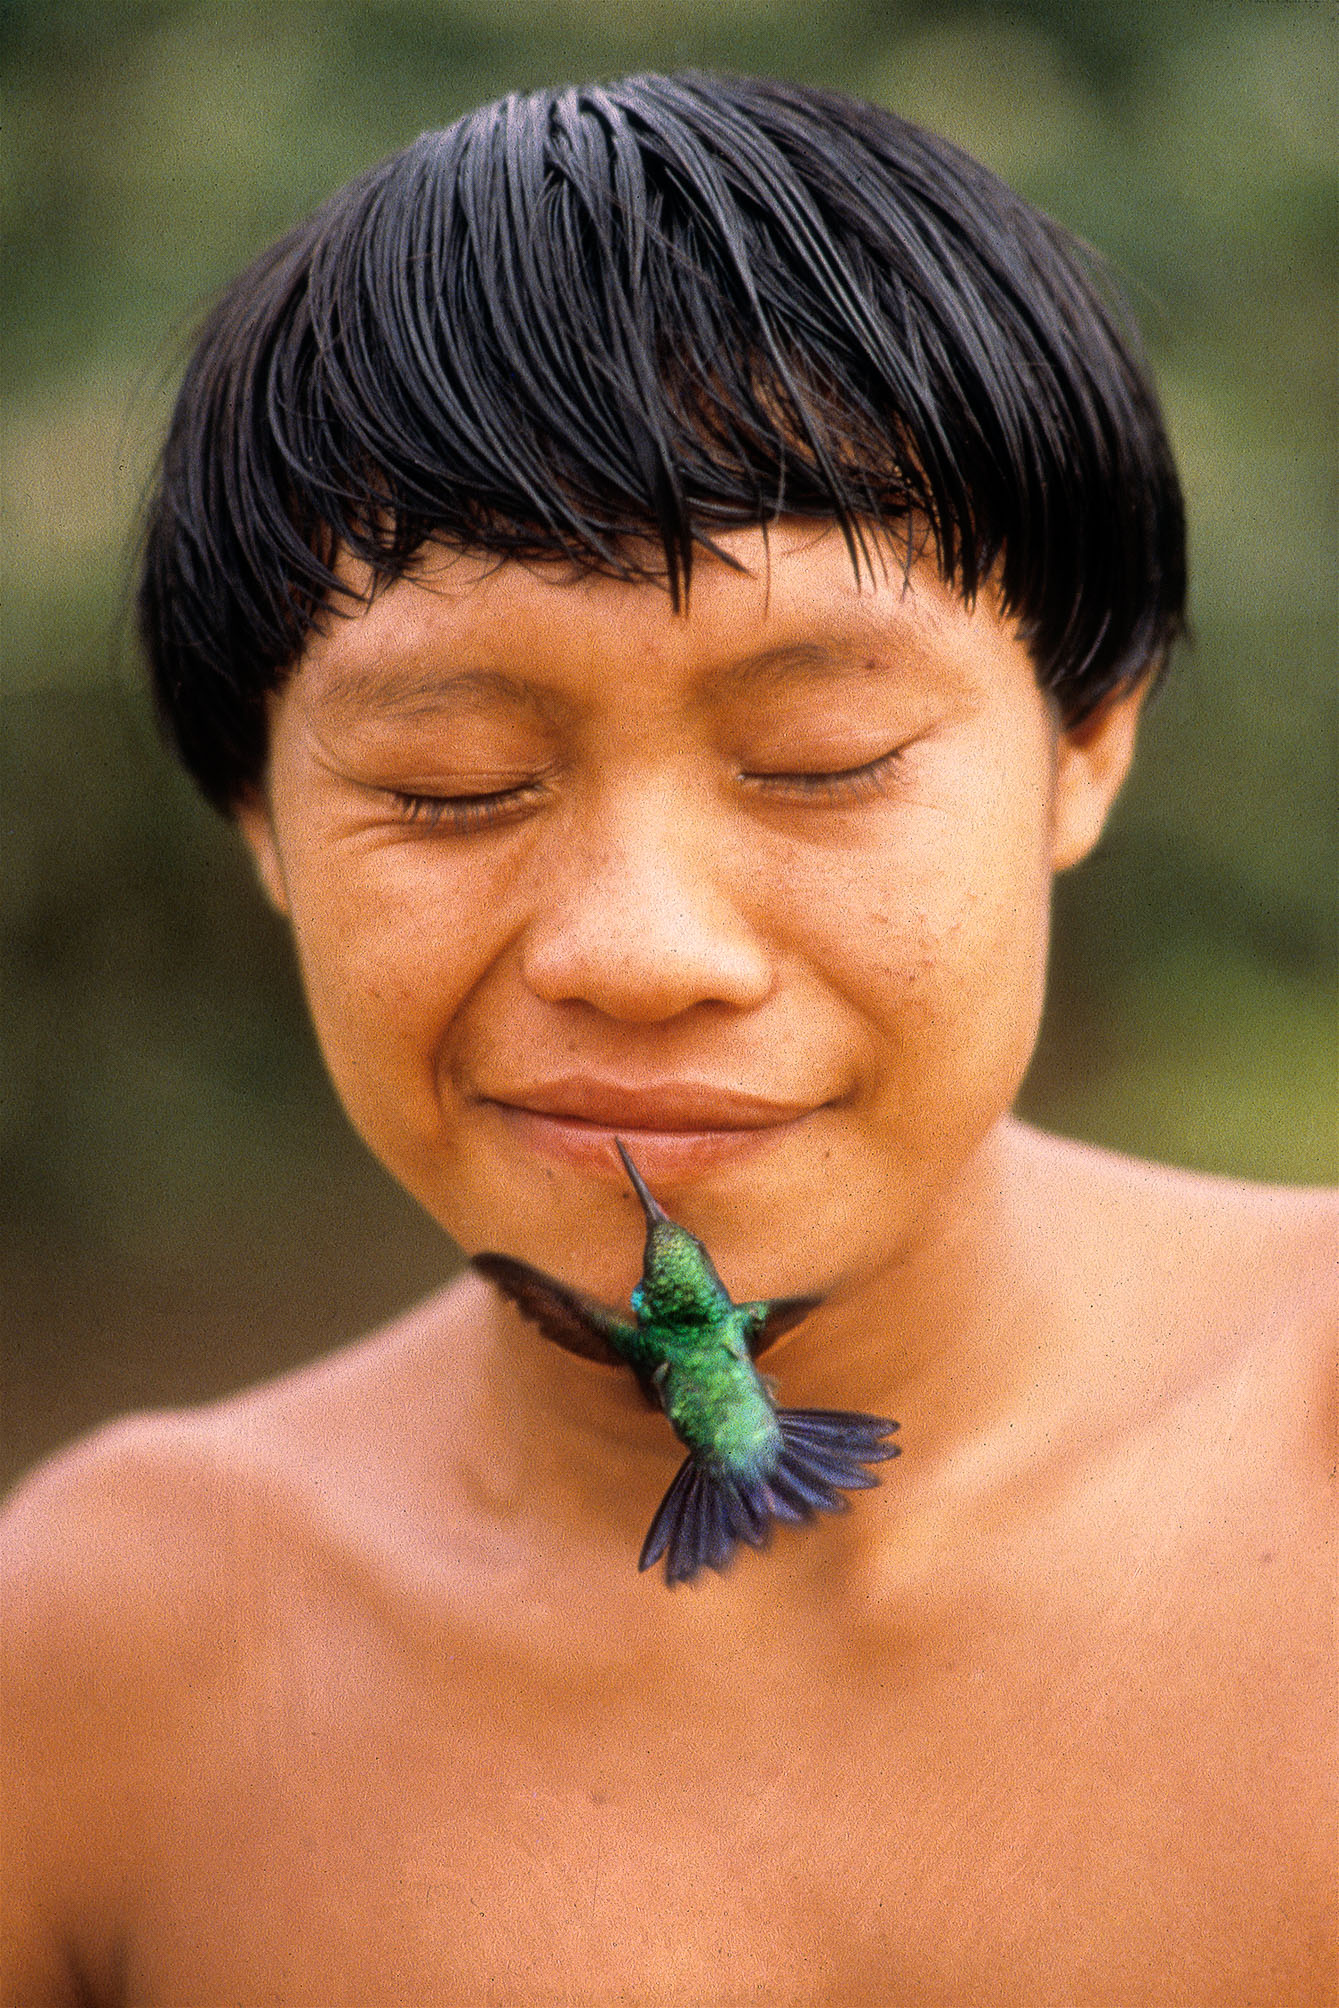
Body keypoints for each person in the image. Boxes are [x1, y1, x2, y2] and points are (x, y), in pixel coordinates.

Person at [2, 72, 1333, 2008]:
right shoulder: (97, 1660)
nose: (643, 946)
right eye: (450, 785)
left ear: (1086, 742)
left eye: (824, 760)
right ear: (264, 826)